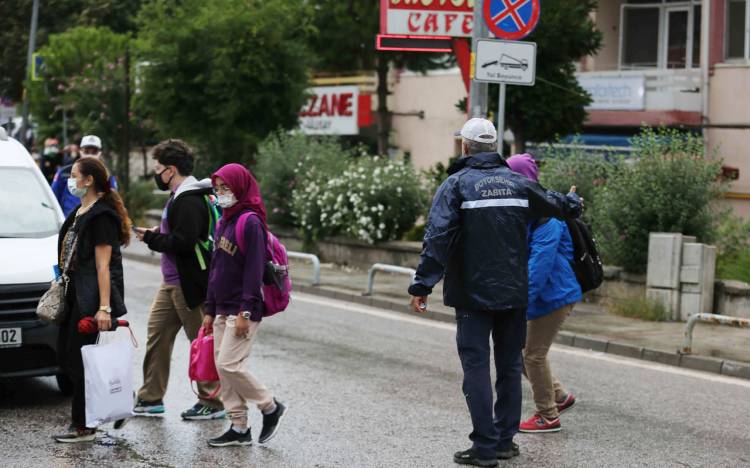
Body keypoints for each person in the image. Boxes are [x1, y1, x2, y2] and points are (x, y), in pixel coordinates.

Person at [408, 118, 581, 467]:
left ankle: (484, 447)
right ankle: (504, 441)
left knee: (476, 366)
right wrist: (574, 201)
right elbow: (559, 205)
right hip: (514, 294)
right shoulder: (519, 184)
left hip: (472, 295)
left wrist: (422, 283)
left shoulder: (455, 185)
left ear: (465, 147)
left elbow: (437, 237)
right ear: (495, 148)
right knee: (507, 367)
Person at [132, 139, 224, 420]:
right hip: (171, 281)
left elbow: (183, 241)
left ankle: (213, 401)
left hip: (187, 283)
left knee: (202, 341)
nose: (156, 175)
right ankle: (150, 397)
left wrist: (151, 238)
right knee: (158, 335)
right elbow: (180, 234)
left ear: (171, 170)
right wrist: (157, 233)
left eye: (158, 169)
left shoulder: (189, 199)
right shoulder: (181, 196)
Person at [202, 163, 287, 447]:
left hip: (242, 309)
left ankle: (270, 406)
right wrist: (209, 309)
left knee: (229, 365)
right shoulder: (224, 219)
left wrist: (245, 312)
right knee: (223, 369)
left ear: (240, 187)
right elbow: (216, 268)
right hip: (221, 308)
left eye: (226, 187)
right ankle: (238, 427)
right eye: (218, 188)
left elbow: (253, 271)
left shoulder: (250, 222)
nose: (221, 193)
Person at [53, 157, 131, 443]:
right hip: (73, 294)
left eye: (74, 175)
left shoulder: (101, 217)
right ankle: (119, 397)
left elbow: (103, 266)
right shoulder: (81, 211)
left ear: (89, 180)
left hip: (90, 299)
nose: (69, 180)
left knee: (77, 360)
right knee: (66, 357)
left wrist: (104, 307)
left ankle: (83, 426)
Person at [506, 154, 580, 434]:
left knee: (532, 355)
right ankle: (559, 396)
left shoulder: (547, 218)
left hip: (554, 296)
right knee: (522, 351)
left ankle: (548, 415)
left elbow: (539, 267)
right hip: (543, 295)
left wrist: (519, 304)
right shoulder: (528, 211)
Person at [52, 135, 118, 217]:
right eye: (86, 151)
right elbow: (53, 198)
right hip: (68, 222)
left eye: (94, 152)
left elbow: (114, 203)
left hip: (96, 221)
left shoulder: (107, 176)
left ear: (100, 153)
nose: (90, 155)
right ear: (80, 151)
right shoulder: (64, 173)